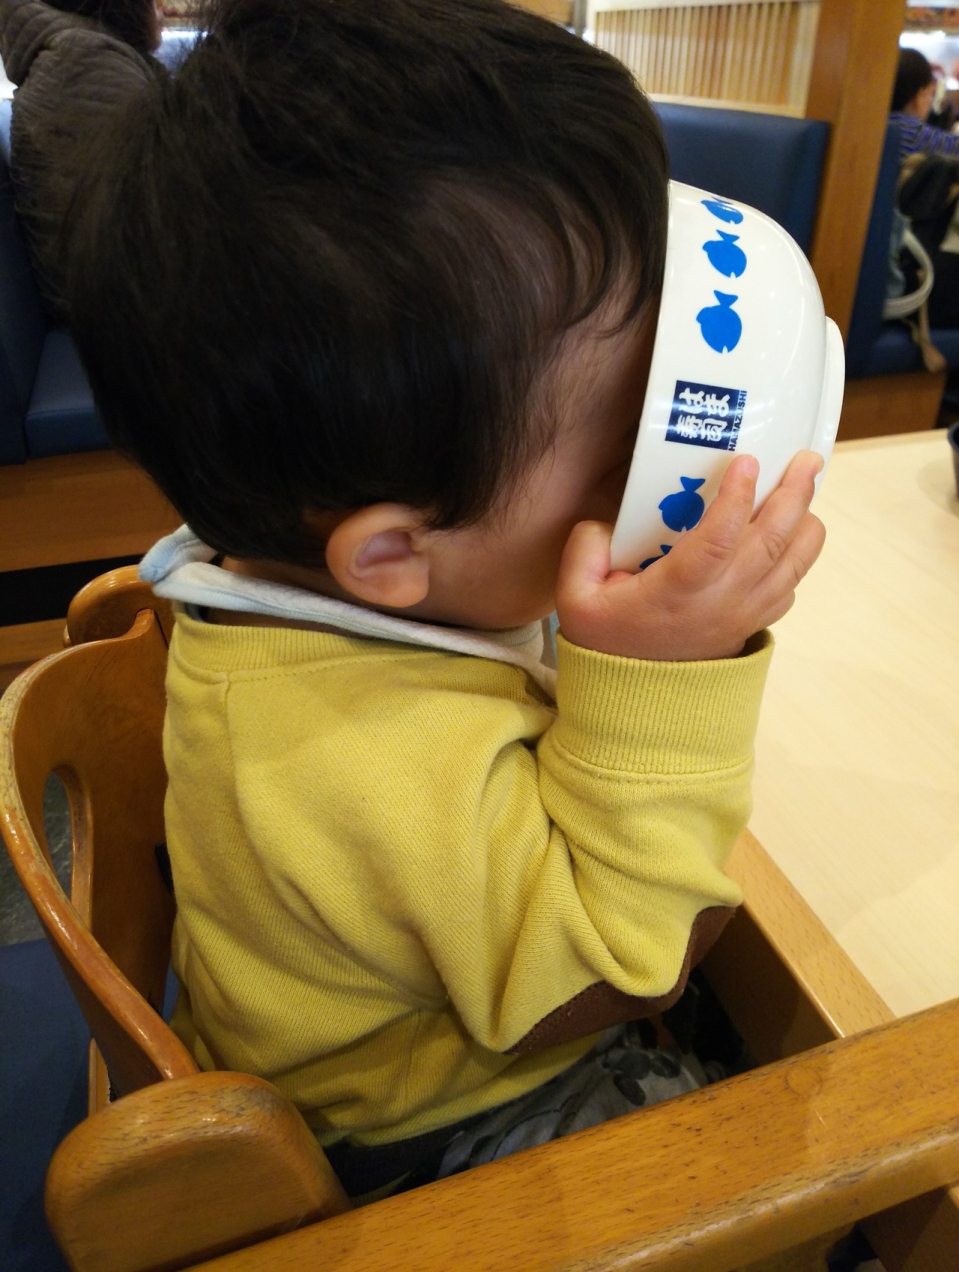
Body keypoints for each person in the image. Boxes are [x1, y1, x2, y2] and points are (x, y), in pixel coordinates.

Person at [62, 0, 825, 1201]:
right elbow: (622, 972)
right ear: (390, 553)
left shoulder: (296, 563)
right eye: (621, 446)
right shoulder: (363, 754)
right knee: (773, 1142)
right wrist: (670, 675)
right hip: (429, 1127)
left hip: (404, 994)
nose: (647, 474)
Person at [0, 0, 167, 315]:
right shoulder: (85, 62)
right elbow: (157, 231)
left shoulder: (84, 52)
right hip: (123, 312)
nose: (164, 6)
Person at [890, 47, 959, 162]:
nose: (930, 102)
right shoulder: (914, 133)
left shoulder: (876, 124)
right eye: (930, 94)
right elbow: (954, 147)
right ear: (919, 96)